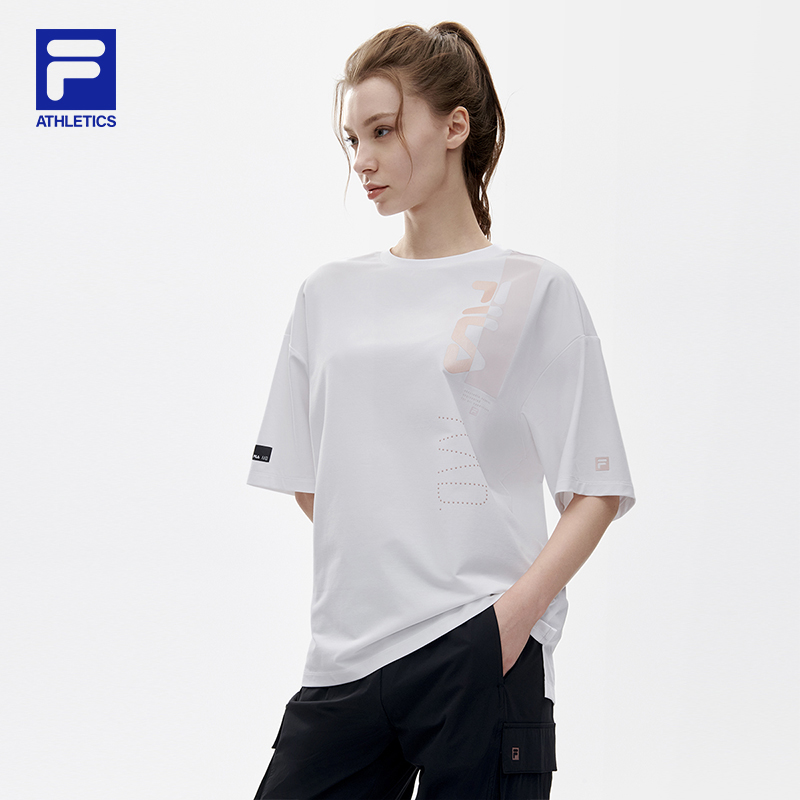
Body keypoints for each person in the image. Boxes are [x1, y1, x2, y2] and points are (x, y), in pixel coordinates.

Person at [247, 21, 636, 800]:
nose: (362, 160)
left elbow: (595, 487)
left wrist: (509, 623)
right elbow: (311, 477)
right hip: (347, 658)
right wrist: (396, 549)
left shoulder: (529, 289)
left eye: (383, 131)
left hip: (479, 648)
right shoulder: (327, 296)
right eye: (352, 139)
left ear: (455, 127)